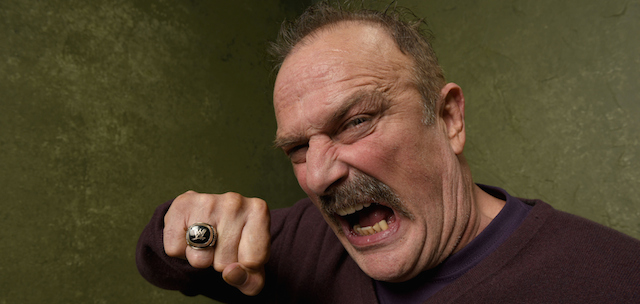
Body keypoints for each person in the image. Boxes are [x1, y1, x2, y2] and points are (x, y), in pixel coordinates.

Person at [136, 3, 640, 303]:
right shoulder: (304, 246)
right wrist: (191, 223)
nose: (317, 176)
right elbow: (160, 257)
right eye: (296, 148)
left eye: (356, 122)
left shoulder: (613, 279)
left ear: (449, 119)